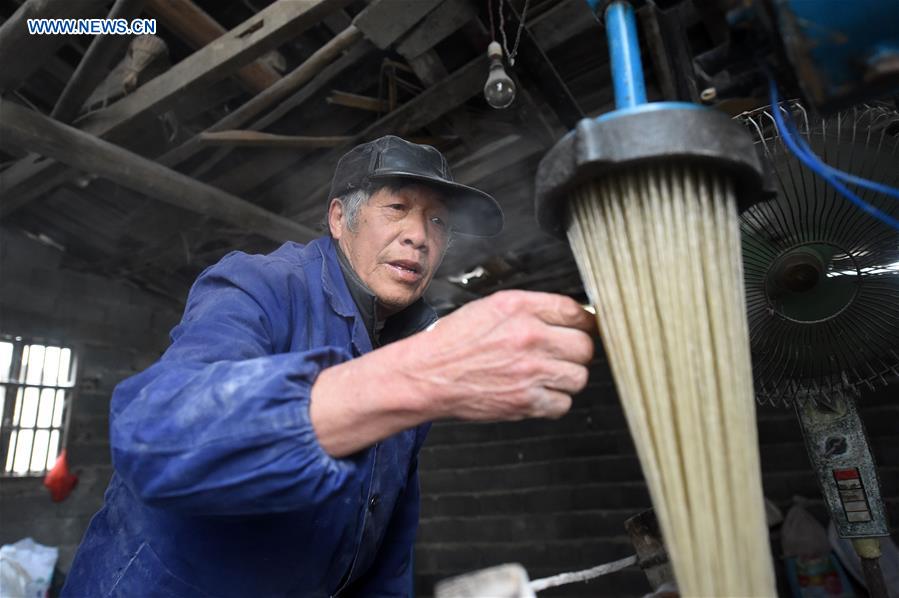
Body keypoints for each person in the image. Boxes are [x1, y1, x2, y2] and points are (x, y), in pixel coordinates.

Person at [63, 135, 595, 597]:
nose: (420, 235)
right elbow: (154, 433)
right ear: (340, 218)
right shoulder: (261, 285)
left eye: (437, 221)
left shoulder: (404, 339)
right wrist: (419, 374)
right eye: (397, 208)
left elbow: (384, 538)